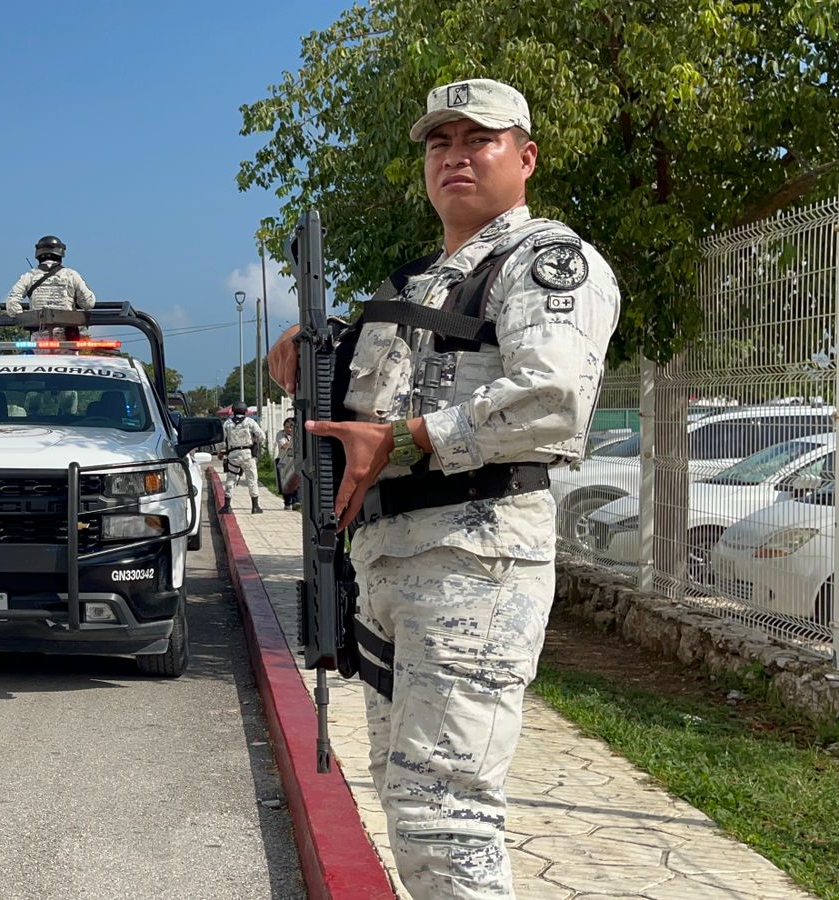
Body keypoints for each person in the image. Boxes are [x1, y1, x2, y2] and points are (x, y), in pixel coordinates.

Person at [267, 78, 619, 899]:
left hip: (474, 561)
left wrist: (404, 440)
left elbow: (554, 397)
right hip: (392, 567)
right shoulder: (417, 282)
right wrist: (307, 360)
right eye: (439, 142)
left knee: (447, 819)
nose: (455, 156)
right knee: (408, 802)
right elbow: (346, 425)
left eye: (478, 139)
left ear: (524, 158)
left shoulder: (546, 261)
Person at [5, 235, 97, 341]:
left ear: (38, 256)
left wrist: (28, 320)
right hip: (67, 341)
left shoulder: (28, 276)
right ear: (60, 255)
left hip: (38, 341)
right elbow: (89, 303)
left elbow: (11, 302)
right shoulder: (71, 275)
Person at [219, 407, 265, 515]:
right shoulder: (250, 422)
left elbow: (221, 440)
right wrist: (254, 441)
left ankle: (227, 506)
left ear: (233, 412)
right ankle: (255, 506)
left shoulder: (227, 423)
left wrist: (220, 451)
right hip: (248, 454)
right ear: (245, 412)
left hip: (233, 454)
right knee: (252, 479)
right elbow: (262, 436)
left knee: (230, 479)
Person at [275, 418, 299, 510]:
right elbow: (284, 446)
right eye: (287, 427)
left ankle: (296, 501)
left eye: (291, 427)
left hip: (294, 461)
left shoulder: (297, 434)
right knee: (284, 483)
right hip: (283, 461)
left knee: (295, 482)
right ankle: (287, 503)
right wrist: (294, 440)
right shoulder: (280, 434)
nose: (289, 429)